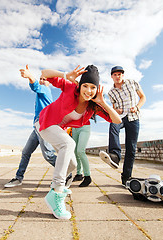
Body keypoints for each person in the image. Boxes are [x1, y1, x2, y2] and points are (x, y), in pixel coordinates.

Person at [31, 64, 121, 220]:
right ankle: (57, 193)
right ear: (80, 85)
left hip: (57, 131)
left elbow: (117, 120)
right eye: (85, 85)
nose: (88, 90)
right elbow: (45, 73)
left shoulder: (93, 107)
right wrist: (66, 75)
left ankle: (59, 187)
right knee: (69, 144)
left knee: (72, 165)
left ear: (97, 89)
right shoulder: (70, 87)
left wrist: (103, 103)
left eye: (93, 87)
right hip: (44, 123)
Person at [4, 66, 57, 188]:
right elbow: (35, 86)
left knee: (48, 155)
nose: (42, 81)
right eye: (41, 78)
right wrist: (30, 78)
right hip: (36, 127)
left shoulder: (45, 90)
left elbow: (36, 86)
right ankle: (18, 178)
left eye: (44, 79)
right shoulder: (41, 94)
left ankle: (67, 172)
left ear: (49, 83)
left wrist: (30, 76)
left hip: (43, 126)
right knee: (26, 152)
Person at [99, 66, 146, 187]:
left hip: (133, 117)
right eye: (115, 75)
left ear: (122, 75)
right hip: (120, 117)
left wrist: (137, 107)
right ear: (111, 76)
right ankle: (115, 155)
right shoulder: (111, 92)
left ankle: (126, 177)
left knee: (131, 148)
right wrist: (116, 110)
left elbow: (143, 97)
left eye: (119, 74)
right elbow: (113, 107)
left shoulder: (132, 83)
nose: (117, 76)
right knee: (113, 124)